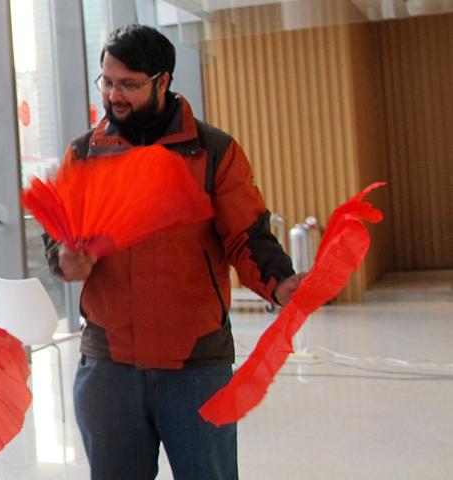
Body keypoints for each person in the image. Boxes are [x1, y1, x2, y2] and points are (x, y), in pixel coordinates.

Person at [45, 25, 303, 479]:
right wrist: (66, 258)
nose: (113, 96)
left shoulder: (214, 151)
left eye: (129, 84)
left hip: (195, 365)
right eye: (106, 82)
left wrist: (279, 283)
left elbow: (247, 234)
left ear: (163, 82)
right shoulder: (84, 153)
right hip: (109, 366)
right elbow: (59, 233)